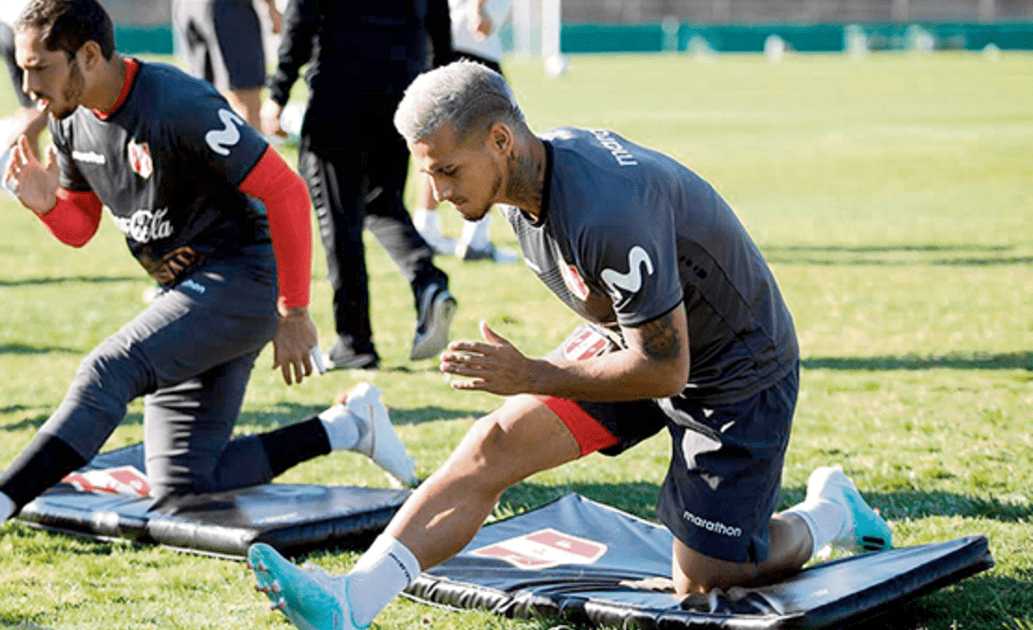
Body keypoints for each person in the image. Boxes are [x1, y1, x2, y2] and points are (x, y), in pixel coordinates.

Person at [246, 60, 893, 630]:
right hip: (636, 338)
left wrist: (534, 372)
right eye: (429, 173)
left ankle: (828, 511)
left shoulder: (606, 212)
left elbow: (666, 370)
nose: (438, 194)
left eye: (446, 171)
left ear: (500, 140)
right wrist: (549, 370)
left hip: (734, 369)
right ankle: (351, 602)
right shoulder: (514, 183)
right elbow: (632, 332)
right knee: (490, 446)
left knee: (706, 580)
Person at [0, 0, 417, 564]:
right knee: (182, 486)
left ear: (88, 55)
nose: (28, 86)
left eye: (40, 68)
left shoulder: (178, 104)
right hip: (189, 293)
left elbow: (285, 190)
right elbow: (80, 227)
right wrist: (43, 205)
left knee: (110, 368)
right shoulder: (68, 117)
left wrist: (295, 312)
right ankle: (347, 427)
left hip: (243, 280)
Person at [259, 0, 458, 370]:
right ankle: (429, 281)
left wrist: (278, 90)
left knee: (339, 221)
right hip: (403, 88)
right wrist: (441, 87)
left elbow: (302, 16)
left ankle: (354, 342)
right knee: (382, 203)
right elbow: (438, 17)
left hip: (341, 87)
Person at [410, 0, 518, 264]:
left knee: (439, 141)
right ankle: (476, 239)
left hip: (451, 43)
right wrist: (478, 9)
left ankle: (426, 228)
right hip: (475, 48)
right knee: (498, 145)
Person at [0, 0, 50, 197]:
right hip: (30, 29)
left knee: (30, 110)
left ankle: (36, 186)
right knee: (50, 106)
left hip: (5, 27)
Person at [172, 0, 283, 132]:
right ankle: (248, 150)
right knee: (245, 97)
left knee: (205, 97)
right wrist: (272, 9)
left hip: (186, 7)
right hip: (227, 8)